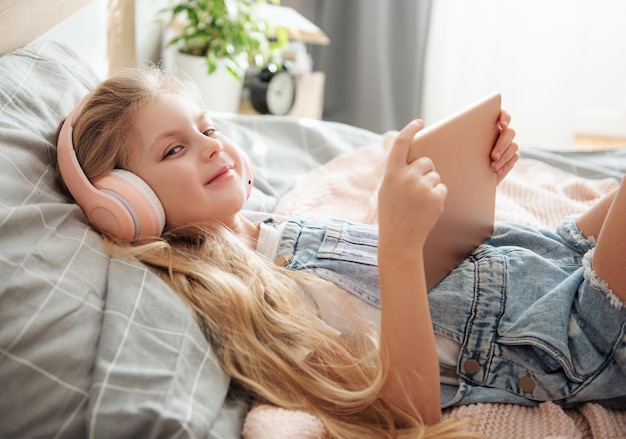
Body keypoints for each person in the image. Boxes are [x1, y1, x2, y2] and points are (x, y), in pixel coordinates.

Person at [56, 67, 626, 438]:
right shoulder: (247, 301)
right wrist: (399, 246)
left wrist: (473, 186)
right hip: (563, 334)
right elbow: (407, 410)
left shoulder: (270, 229)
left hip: (544, 257)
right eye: (175, 148)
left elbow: (410, 282)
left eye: (205, 127)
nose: (210, 147)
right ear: (128, 204)